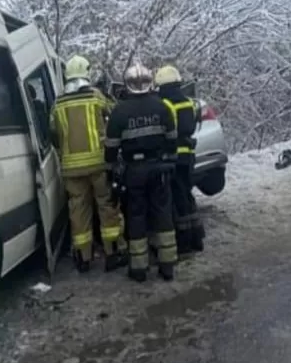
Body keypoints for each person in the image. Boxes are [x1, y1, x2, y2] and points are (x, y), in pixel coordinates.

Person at [51, 54, 125, 273]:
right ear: (86, 73)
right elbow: (114, 112)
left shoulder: (57, 104)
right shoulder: (96, 97)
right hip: (98, 164)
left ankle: (83, 257)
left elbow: (53, 133)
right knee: (106, 205)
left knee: (78, 210)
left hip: (71, 168)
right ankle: (112, 252)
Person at [105, 63, 178, 282]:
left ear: (127, 85)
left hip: (133, 172)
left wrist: (112, 171)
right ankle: (167, 266)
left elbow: (110, 149)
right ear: (149, 83)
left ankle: (138, 269)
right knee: (163, 215)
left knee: (135, 217)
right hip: (159, 170)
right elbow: (172, 141)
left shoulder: (119, 111)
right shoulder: (162, 107)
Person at [156, 64, 206, 254]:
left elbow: (166, 132)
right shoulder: (187, 102)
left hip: (174, 156)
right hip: (188, 155)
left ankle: (184, 241)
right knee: (187, 194)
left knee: (177, 199)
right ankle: (197, 237)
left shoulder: (165, 104)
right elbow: (190, 128)